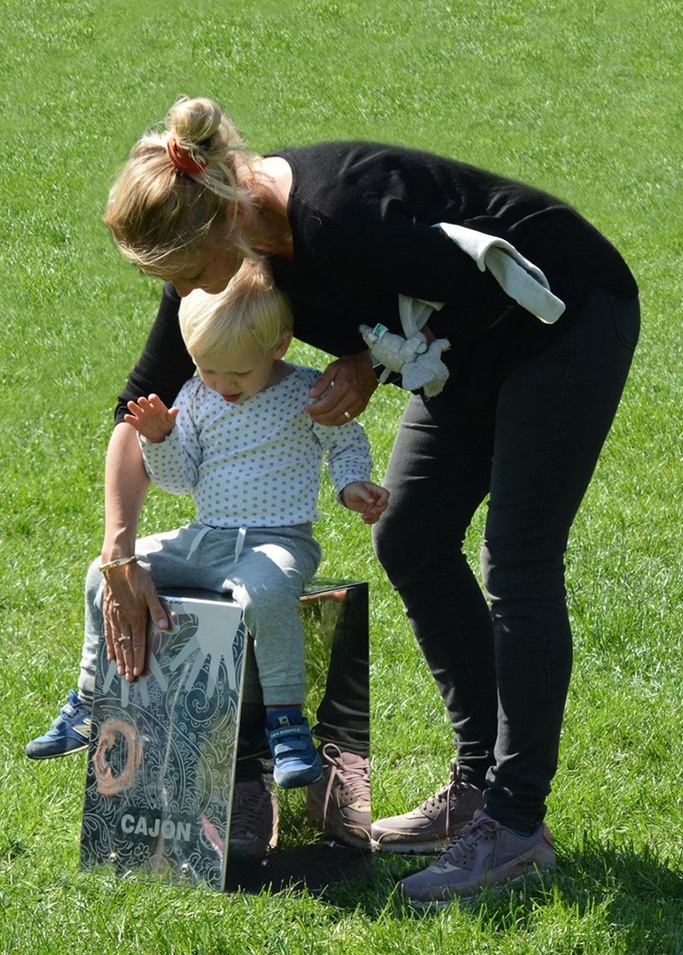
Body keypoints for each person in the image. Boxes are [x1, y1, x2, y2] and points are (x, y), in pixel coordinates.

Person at [31, 95, 640, 902]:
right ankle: (474, 789)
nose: (183, 291)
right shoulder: (221, 253)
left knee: (518, 558)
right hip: (464, 347)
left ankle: (515, 825)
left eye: (186, 272)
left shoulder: (342, 213)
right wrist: (118, 553)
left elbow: (489, 287)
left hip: (560, 316)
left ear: (225, 217)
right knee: (411, 538)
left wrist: (366, 364)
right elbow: (140, 403)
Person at [27, 257, 388, 853]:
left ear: (279, 344)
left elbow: (345, 440)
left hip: (277, 540)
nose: (222, 382)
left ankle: (286, 723)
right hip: (206, 538)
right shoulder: (195, 396)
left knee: (262, 592)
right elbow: (179, 479)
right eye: (206, 367)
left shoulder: (305, 391)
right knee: (104, 571)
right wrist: (161, 438)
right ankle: (89, 701)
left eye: (237, 371)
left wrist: (352, 486)